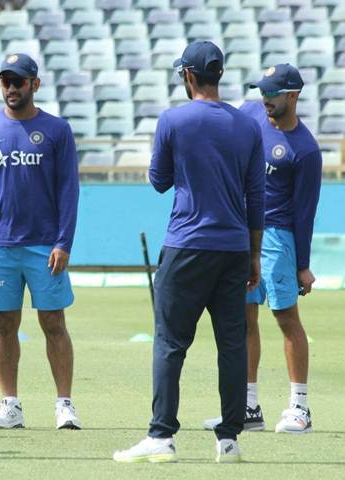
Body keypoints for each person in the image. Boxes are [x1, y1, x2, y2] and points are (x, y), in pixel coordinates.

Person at [113, 41, 266, 464]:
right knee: (232, 344)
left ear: (188, 76)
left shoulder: (173, 120)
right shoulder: (248, 125)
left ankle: (162, 436)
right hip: (235, 248)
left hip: (187, 244)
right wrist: (254, 256)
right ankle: (229, 440)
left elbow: (159, 180)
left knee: (169, 342)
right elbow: (257, 196)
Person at [0, 53, 81, 430]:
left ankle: (64, 404)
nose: (11, 88)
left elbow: (69, 191)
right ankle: (10, 405)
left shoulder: (57, 130)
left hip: (45, 246)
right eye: (6, 82)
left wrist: (64, 242)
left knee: (53, 323)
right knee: (3, 324)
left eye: (19, 81)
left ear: (35, 84)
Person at [203, 64, 322, 434]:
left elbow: (305, 213)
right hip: (243, 231)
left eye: (272, 93)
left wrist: (302, 264)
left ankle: (299, 408)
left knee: (286, 318)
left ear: (292, 96)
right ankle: (248, 408)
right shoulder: (250, 113)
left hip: (279, 237)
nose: (265, 99)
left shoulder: (305, 149)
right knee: (244, 317)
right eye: (262, 92)